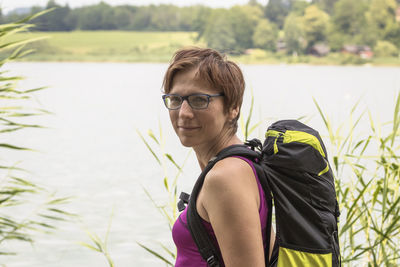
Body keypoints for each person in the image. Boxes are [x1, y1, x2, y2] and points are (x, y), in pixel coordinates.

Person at [162, 47, 275, 267]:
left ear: (233, 107)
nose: (183, 112)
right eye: (175, 99)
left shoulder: (226, 177)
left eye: (199, 99)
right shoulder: (243, 163)